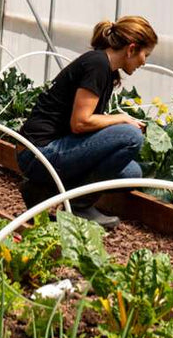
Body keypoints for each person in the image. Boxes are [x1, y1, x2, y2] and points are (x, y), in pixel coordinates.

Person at [17, 16, 156, 228]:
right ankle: (78, 207)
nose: (144, 62)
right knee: (131, 137)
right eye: (145, 54)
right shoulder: (97, 65)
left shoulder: (107, 71)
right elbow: (80, 123)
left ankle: (41, 190)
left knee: (131, 173)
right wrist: (121, 119)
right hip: (38, 152)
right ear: (131, 49)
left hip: (47, 151)